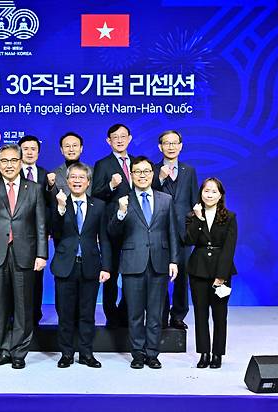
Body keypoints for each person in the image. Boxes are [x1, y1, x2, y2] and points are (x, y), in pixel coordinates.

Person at [0, 144, 47, 369]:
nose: (9, 165)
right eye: (4, 161)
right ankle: (3, 350)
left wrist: (42, 254)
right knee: (0, 304)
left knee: (23, 306)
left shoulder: (34, 188)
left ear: (21, 162)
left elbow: (41, 224)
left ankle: (19, 351)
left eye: (13, 160)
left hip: (25, 253)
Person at [109, 156, 179, 370]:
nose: (142, 175)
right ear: (130, 174)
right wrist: (120, 213)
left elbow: (173, 233)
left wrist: (174, 260)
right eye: (137, 171)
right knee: (135, 313)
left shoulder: (165, 199)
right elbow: (112, 233)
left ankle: (152, 353)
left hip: (159, 262)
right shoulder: (124, 200)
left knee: (156, 313)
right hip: (133, 263)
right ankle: (138, 353)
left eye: (146, 171)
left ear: (152, 173)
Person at [51, 162, 111, 369]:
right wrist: (59, 209)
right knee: (65, 313)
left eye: (81, 178)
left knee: (87, 313)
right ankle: (66, 354)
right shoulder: (59, 203)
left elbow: (104, 238)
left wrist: (106, 267)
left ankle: (86, 353)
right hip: (65, 266)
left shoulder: (99, 206)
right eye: (73, 178)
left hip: (91, 266)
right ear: (67, 182)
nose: (77, 181)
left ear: (88, 182)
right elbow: (55, 233)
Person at [185, 177, 237, 369]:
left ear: (221, 195)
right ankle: (204, 353)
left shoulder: (229, 217)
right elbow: (188, 240)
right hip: (198, 269)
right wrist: (198, 219)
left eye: (214, 191)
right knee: (200, 313)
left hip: (220, 271)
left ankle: (217, 354)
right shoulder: (193, 215)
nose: (209, 194)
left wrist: (221, 275)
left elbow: (229, 248)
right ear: (201, 193)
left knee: (219, 314)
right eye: (206, 191)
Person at [152, 130, 199, 330]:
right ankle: (160, 315)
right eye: (166, 143)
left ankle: (178, 315)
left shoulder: (189, 171)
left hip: (182, 233)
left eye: (174, 143)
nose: (171, 147)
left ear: (181, 146)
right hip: (158, 232)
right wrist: (159, 179)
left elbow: (194, 201)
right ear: (159, 147)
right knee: (159, 275)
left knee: (182, 277)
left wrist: (192, 229)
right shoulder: (152, 170)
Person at [91, 123, 134, 328]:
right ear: (108, 141)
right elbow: (96, 194)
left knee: (131, 273)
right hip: (111, 227)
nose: (119, 140)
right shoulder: (103, 164)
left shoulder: (138, 163)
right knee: (111, 272)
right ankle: (111, 315)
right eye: (115, 137)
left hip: (134, 227)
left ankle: (127, 312)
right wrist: (111, 185)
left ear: (130, 138)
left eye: (123, 136)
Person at [18, 135, 52, 327]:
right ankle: (17, 317)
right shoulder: (10, 173)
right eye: (25, 148)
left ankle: (34, 316)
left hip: (36, 235)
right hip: (15, 234)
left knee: (36, 278)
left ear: (38, 152)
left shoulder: (45, 174)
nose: (29, 152)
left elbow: (48, 207)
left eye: (33, 149)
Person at [49, 132, 92, 196]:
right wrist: (50, 185)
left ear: (81, 148)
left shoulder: (93, 171)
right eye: (67, 146)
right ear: (61, 150)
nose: (71, 149)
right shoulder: (54, 174)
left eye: (74, 145)